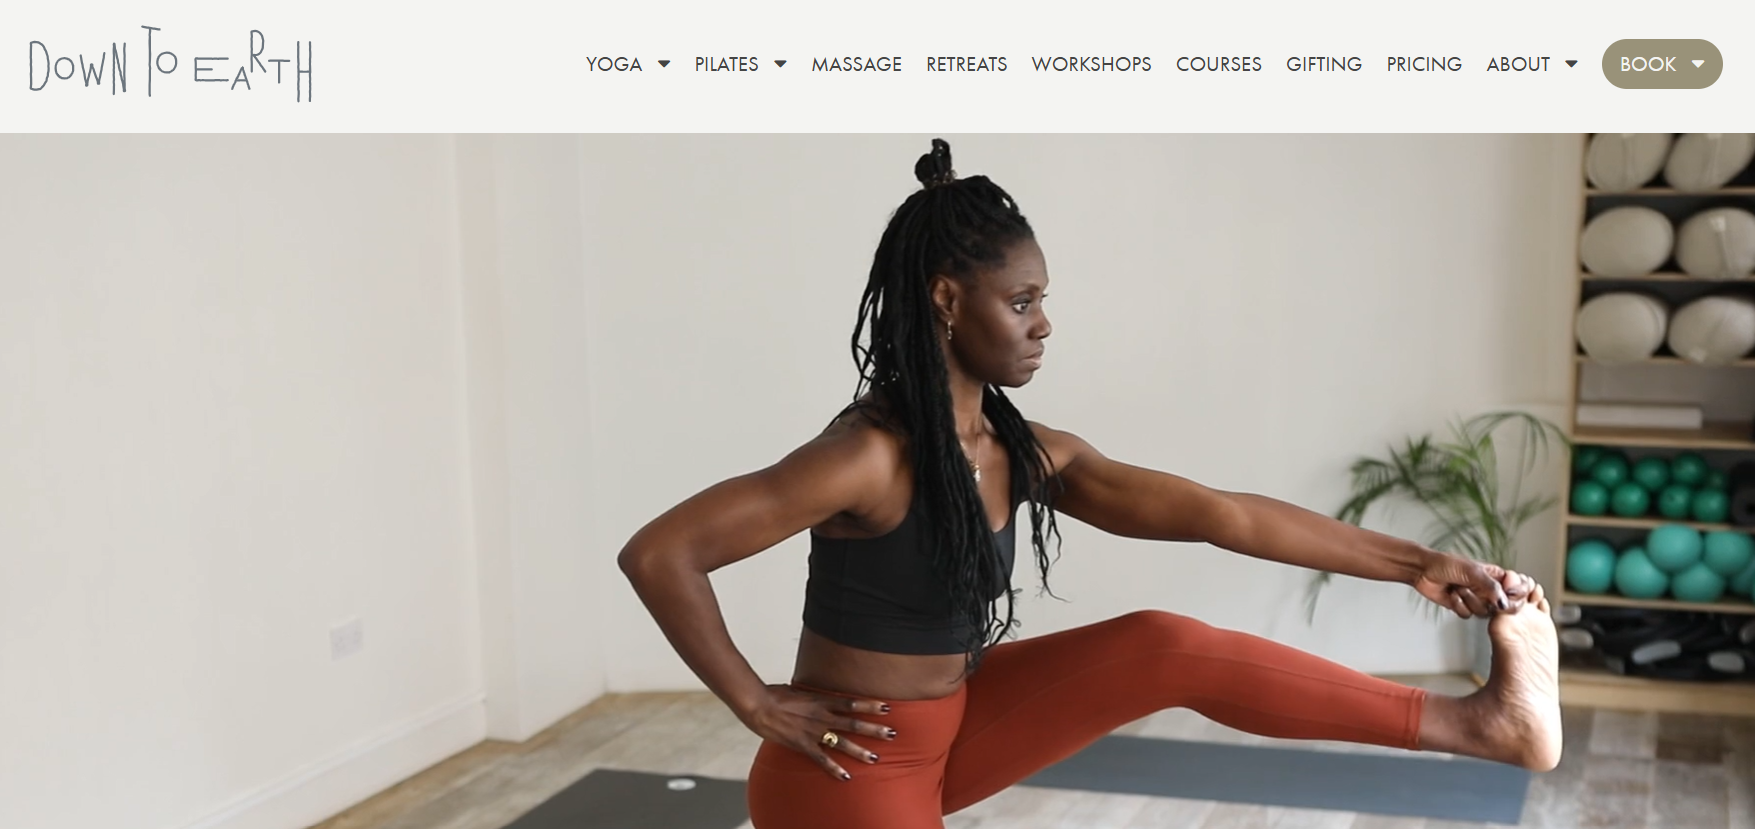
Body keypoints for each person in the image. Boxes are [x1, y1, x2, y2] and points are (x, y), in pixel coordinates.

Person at [617, 138, 1563, 829]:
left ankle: (1478, 724)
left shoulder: (1022, 450)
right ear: (948, 301)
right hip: (848, 775)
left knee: (1163, 644)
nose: (1041, 324)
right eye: (1020, 301)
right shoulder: (868, 454)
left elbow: (1218, 514)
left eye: (1042, 301)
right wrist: (754, 700)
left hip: (956, 726)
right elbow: (662, 551)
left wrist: (1416, 563)